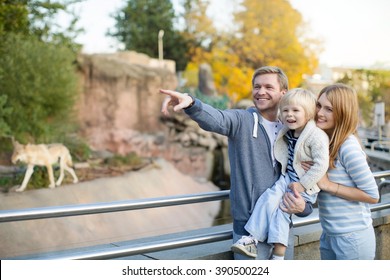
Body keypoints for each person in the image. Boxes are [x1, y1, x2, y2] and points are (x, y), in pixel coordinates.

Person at [160, 66, 311, 260]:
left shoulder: (294, 129)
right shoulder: (242, 120)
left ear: (283, 92)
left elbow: (309, 173)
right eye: (256, 86)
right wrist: (191, 104)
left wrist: (304, 208)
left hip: (281, 232)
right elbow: (216, 119)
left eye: (268, 87)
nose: (260, 92)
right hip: (247, 236)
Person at [231, 88, 329, 260]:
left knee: (282, 213)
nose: (289, 115)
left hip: (304, 185)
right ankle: (251, 239)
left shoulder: (316, 136)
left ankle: (278, 255)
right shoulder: (289, 130)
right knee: (268, 199)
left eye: (295, 111)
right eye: (285, 110)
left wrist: (302, 184)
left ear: (308, 113)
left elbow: (322, 165)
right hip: (287, 179)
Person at [312, 83, 380, 259]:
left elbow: (373, 195)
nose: (320, 113)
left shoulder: (347, 146)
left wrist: (327, 184)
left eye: (329, 109)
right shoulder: (324, 142)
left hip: (352, 238)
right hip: (329, 234)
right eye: (319, 105)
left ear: (343, 112)